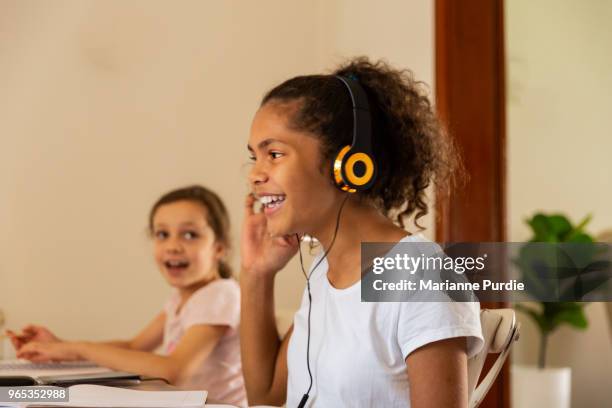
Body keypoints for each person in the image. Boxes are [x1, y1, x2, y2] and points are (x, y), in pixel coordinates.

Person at [240, 58, 484, 407]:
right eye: (255, 157)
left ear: (348, 164)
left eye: (274, 154)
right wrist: (256, 273)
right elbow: (265, 396)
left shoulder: (420, 275)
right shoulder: (324, 272)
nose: (254, 175)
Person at [7, 185, 246, 406]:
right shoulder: (181, 299)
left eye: (190, 235)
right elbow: (135, 346)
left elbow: (175, 370)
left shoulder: (219, 295)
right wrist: (61, 346)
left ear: (219, 248)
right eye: (162, 234)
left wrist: (78, 349)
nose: (173, 246)